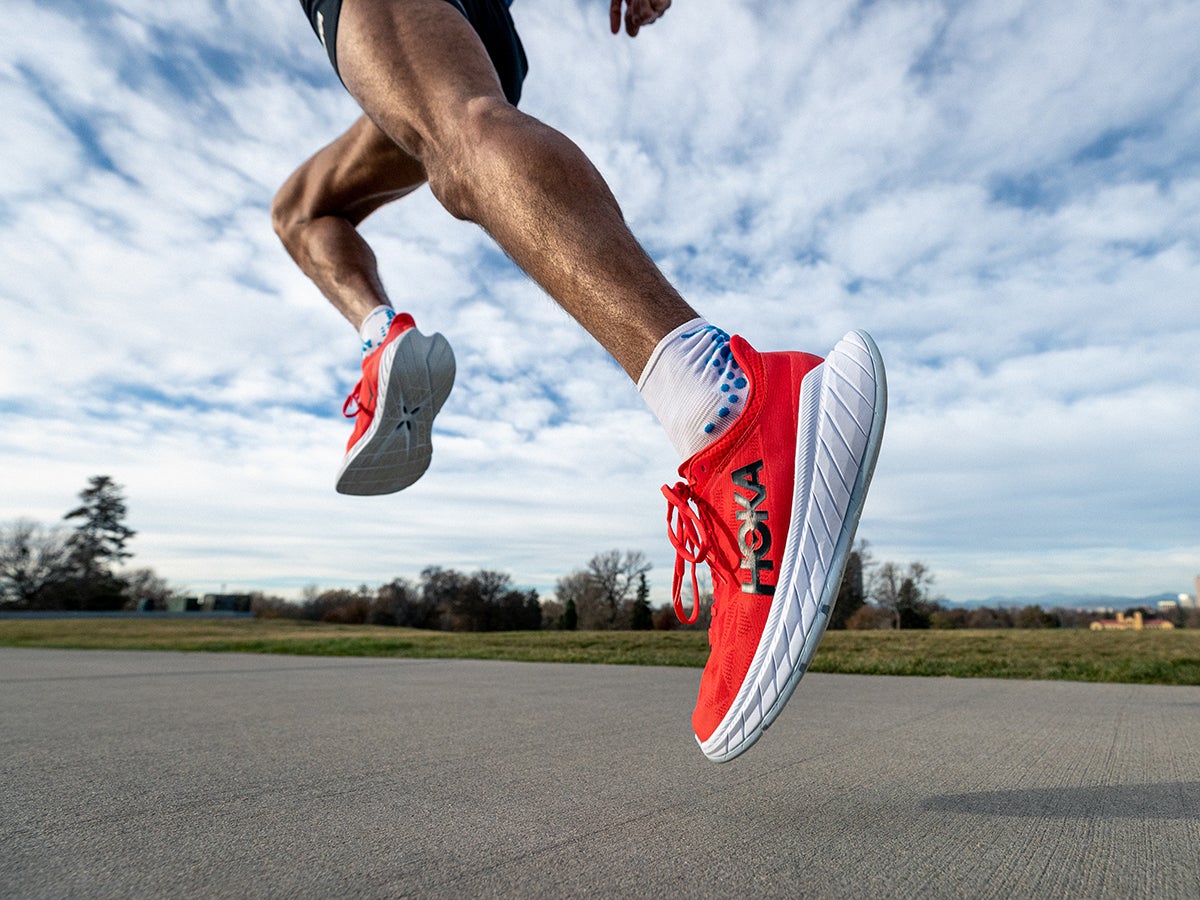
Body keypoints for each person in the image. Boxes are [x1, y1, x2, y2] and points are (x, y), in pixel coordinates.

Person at [273, 0, 887, 763]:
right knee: (303, 210)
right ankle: (383, 339)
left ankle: (727, 411)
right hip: (481, 34)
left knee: (460, 140)